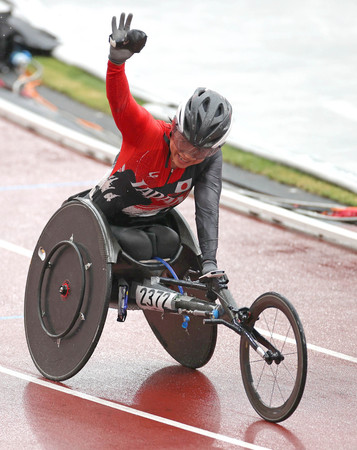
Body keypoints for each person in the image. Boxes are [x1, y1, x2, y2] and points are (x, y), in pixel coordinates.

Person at [90, 13, 233, 275]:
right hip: (101, 220)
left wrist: (209, 263)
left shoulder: (210, 160)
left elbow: (208, 209)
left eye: (199, 151)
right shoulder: (146, 132)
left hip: (150, 225)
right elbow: (121, 102)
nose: (187, 155)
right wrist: (116, 62)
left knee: (170, 243)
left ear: (213, 150)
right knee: (142, 246)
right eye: (183, 142)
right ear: (175, 126)